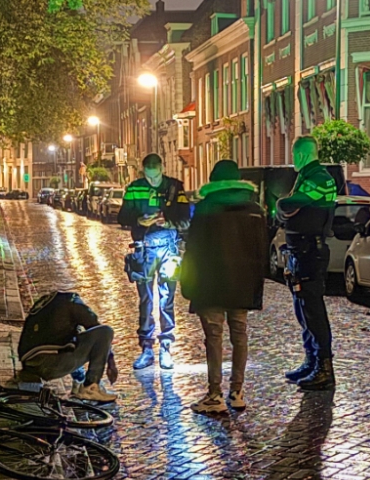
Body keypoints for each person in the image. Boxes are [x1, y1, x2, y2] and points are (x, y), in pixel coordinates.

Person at [180, 160, 267, 414]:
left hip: (211, 284)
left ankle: (214, 393)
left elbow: (194, 251)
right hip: (242, 283)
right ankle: (237, 391)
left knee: (214, 337)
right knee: (239, 334)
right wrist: (256, 283)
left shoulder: (205, 208)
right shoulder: (254, 209)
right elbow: (261, 249)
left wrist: (188, 283)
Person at [118, 153, 191, 371]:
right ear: (144, 172)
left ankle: (166, 345)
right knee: (146, 300)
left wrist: (168, 222)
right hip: (144, 248)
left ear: (161, 169)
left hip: (168, 246)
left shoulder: (175, 187)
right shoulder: (134, 188)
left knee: (167, 298)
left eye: (155, 176)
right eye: (149, 177)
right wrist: (138, 220)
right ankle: (147, 347)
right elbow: (122, 216)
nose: (152, 180)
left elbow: (186, 217)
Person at [277, 136, 338, 391]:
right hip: (301, 252)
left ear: (301, 155)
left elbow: (289, 204)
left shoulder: (319, 178)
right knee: (303, 310)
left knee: (313, 311)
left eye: (294, 155)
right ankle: (312, 361)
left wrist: (281, 204)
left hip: (310, 252)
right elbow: (287, 213)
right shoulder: (307, 176)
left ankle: (324, 368)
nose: (293, 160)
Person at [16, 291, 118, 402]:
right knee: (105, 331)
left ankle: (78, 381)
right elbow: (98, 330)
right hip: (50, 365)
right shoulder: (73, 301)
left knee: (71, 340)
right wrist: (111, 361)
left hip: (29, 366)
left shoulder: (44, 303)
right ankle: (90, 387)